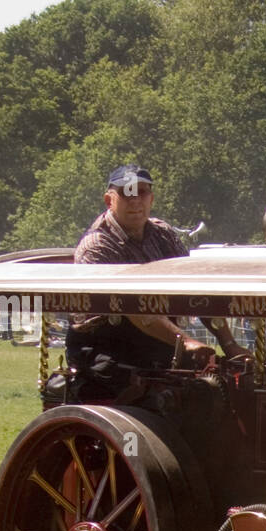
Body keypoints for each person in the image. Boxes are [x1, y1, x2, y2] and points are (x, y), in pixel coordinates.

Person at [65, 165, 243, 397]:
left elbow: (197, 291)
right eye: (127, 193)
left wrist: (230, 346)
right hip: (105, 349)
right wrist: (186, 342)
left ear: (152, 199)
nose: (136, 201)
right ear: (109, 200)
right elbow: (134, 309)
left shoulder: (164, 234)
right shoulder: (97, 245)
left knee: (224, 387)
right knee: (171, 397)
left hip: (158, 343)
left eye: (142, 192)